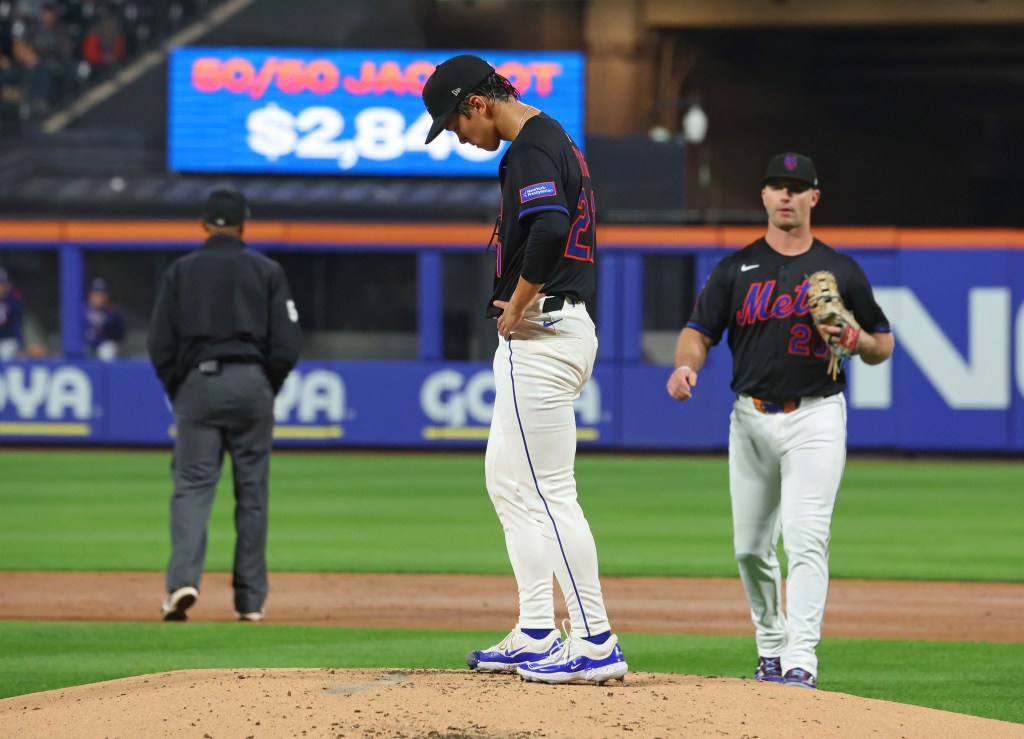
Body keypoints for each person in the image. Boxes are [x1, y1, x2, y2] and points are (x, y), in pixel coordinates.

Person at [420, 55, 627, 685]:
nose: (455, 135)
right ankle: (537, 627)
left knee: (548, 491)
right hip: (553, 327)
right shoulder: (550, 136)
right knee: (507, 481)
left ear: (479, 102)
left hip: (544, 328)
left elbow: (550, 230)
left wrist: (517, 301)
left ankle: (595, 639)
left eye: (453, 121)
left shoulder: (534, 143)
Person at [666, 153, 895, 689]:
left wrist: (858, 342)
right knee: (749, 547)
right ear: (764, 197)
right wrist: (684, 366)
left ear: (814, 197)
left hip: (815, 416)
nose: (786, 196)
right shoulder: (735, 268)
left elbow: (882, 343)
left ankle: (801, 660)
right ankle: (771, 645)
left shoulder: (842, 269)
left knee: (805, 536)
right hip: (749, 417)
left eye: (797, 187)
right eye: (776, 186)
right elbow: (698, 331)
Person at [147, 189, 302, 623]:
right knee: (252, 493)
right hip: (252, 382)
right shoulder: (266, 270)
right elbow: (288, 342)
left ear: (204, 224)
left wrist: (181, 387)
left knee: (193, 488)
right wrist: (263, 383)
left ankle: (182, 583)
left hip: (198, 383)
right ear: (243, 224)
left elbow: (159, 342)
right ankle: (250, 602)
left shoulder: (181, 271)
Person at [84, 277, 125, 361]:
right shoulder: (82, 310)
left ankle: (106, 374)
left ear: (107, 296)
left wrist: (109, 321)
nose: (99, 298)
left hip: (103, 345)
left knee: (107, 350)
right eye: (96, 294)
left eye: (102, 295)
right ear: (90, 295)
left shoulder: (112, 312)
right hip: (86, 344)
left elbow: (120, 334)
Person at [0, 268, 25, 360]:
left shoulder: (13, 300)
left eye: (2, 284)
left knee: (6, 352)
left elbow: (16, 326)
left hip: (8, 340)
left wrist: (21, 346)